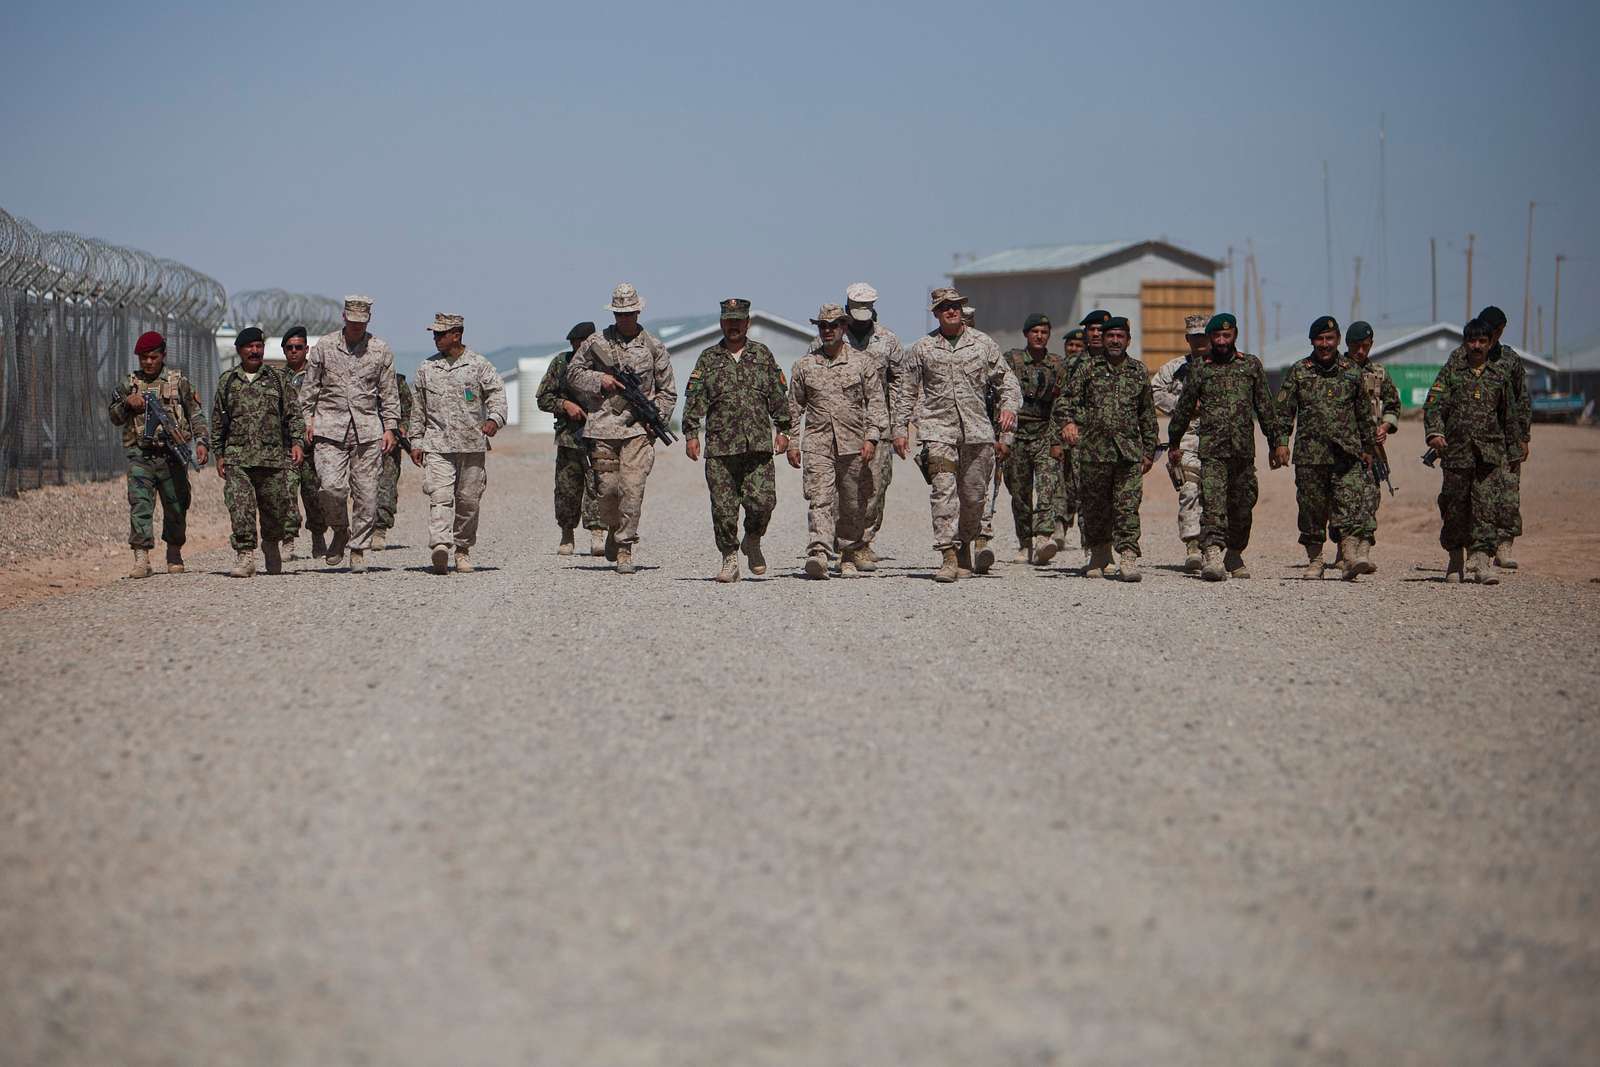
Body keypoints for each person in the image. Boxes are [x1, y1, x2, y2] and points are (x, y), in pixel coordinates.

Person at [892, 287, 1020, 583]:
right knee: (943, 491)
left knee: (974, 497)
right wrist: (900, 430)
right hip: (938, 430)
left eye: (956, 306)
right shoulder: (923, 348)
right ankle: (948, 554)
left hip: (977, 432)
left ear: (962, 310)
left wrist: (1009, 408)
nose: (951, 310)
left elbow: (1007, 382)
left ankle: (965, 543)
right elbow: (906, 392)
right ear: (936, 313)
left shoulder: (983, 344)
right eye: (944, 307)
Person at [565, 283, 677, 575]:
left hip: (638, 431)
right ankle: (614, 526)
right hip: (602, 428)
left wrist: (656, 419)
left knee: (632, 489)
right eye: (619, 313)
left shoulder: (653, 346)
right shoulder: (595, 343)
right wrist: (599, 380)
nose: (624, 318)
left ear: (638, 311)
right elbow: (573, 373)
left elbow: (668, 391)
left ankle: (625, 546)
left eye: (629, 313)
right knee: (608, 490)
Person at [1165, 312, 1285, 581]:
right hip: (1212, 451)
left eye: (1226, 336)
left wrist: (1276, 443)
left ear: (1235, 336)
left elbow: (1265, 408)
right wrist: (1174, 442)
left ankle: (1234, 552)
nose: (1221, 340)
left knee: (1243, 506)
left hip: (1243, 452)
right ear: (1209, 338)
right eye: (1216, 336)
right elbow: (1184, 408)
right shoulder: (1201, 368)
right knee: (1214, 504)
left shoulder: (1250, 366)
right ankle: (1213, 555)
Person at [682, 298, 791, 582]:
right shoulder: (708, 358)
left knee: (763, 502)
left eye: (738, 321)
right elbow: (695, 398)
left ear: (747, 323)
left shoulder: (762, 355)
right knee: (723, 508)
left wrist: (784, 429)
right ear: (721, 323)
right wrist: (691, 433)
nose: (733, 326)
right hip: (720, 447)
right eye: (728, 321)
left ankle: (753, 538)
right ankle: (729, 558)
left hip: (758, 445)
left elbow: (778, 395)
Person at [300, 295, 401, 573]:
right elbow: (309, 388)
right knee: (331, 487)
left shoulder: (379, 350)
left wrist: (390, 427)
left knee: (367, 495)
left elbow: (389, 393)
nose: (357, 327)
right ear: (344, 317)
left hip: (367, 431)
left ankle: (358, 548)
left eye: (362, 322)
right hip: (329, 428)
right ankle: (340, 530)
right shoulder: (325, 347)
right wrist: (307, 420)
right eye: (352, 321)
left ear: (368, 320)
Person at [1272, 316, 1377, 580]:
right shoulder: (1300, 370)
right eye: (1319, 339)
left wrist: (1368, 448)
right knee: (1311, 510)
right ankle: (1315, 560)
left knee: (1349, 505)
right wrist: (1282, 442)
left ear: (1338, 340)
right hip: (1310, 455)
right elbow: (1284, 411)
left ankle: (1350, 557)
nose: (1324, 344)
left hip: (1347, 454)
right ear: (1312, 341)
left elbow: (1364, 414)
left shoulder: (1352, 372)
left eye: (1329, 339)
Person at [787, 304, 888, 579]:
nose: (828, 330)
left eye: (833, 325)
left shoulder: (861, 363)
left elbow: (876, 403)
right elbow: (794, 408)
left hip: (854, 443)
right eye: (823, 326)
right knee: (820, 499)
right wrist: (793, 442)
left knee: (852, 502)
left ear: (844, 328)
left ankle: (847, 554)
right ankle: (818, 553)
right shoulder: (805, 365)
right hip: (817, 443)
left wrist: (872, 438)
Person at [1056, 316, 1158, 580]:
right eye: (1110, 336)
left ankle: (1128, 556)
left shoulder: (1138, 371)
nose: (1114, 341)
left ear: (1128, 340)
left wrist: (1149, 450)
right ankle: (1099, 554)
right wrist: (1068, 423)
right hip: (1094, 451)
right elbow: (1066, 399)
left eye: (1119, 336)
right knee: (1095, 506)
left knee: (1126, 506)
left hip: (1128, 453)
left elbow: (1147, 414)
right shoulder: (1088, 368)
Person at [407, 313, 508, 574]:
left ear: (457, 334)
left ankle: (462, 549)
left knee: (468, 501)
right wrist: (415, 442)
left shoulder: (478, 365)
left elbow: (497, 394)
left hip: (472, 445)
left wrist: (494, 420)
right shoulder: (426, 369)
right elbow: (418, 409)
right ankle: (440, 544)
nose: (435, 338)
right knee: (439, 496)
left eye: (441, 334)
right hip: (437, 445)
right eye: (434, 334)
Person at [107, 331, 209, 578]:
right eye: (143, 358)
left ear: (163, 355)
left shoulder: (178, 382)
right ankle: (141, 557)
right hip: (141, 455)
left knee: (176, 504)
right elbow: (114, 417)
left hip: (172, 456)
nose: (148, 362)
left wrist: (202, 441)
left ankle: (174, 552)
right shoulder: (128, 383)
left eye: (153, 357)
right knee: (140, 505)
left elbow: (195, 413)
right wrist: (126, 403)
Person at [1424, 318, 1517, 584]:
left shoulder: (1499, 377)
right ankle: (1455, 557)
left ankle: (1481, 562)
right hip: (1456, 453)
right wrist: (1435, 433)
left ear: (1490, 344)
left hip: (1488, 454)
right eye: (1472, 341)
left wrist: (1514, 449)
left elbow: (1509, 416)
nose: (1476, 346)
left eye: (1482, 342)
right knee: (1455, 506)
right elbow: (1433, 405)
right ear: (1465, 343)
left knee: (1486, 508)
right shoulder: (1452, 373)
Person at [211, 327, 305, 577]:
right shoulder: (228, 381)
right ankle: (245, 555)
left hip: (272, 457)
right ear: (239, 350)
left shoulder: (277, 379)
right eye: (249, 347)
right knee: (240, 506)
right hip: (237, 458)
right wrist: (218, 454)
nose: (254, 351)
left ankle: (271, 543)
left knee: (275, 508)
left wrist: (296, 443)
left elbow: (294, 414)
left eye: (258, 346)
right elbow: (218, 422)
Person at [1444, 305, 1530, 569]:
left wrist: (1523, 437)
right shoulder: (1459, 357)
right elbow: (1444, 396)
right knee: (1468, 496)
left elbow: (1521, 399)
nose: (1486, 340)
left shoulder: (1510, 360)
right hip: (1467, 441)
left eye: (1494, 333)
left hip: (1504, 437)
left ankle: (1503, 546)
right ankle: (1474, 550)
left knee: (1506, 494)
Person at [841, 282, 904, 564]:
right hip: (841, 424)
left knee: (876, 486)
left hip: (879, 424)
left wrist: (900, 426)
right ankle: (845, 541)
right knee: (841, 486)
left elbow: (901, 384)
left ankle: (864, 540)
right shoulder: (830, 338)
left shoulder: (888, 341)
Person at [1001, 314, 1069, 564]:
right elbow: (1000, 397)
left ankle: (1043, 537)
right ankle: (1025, 542)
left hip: (1044, 432)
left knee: (1047, 486)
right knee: (1019, 492)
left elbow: (1061, 406)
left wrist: (1055, 440)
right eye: (1035, 332)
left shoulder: (1057, 364)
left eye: (1044, 332)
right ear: (1026, 334)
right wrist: (1003, 438)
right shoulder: (1012, 360)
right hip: (1017, 434)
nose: (1040, 336)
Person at [535, 321, 605, 555]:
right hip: (569, 436)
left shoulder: (604, 363)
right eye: (573, 345)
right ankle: (567, 533)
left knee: (599, 484)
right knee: (567, 487)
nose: (576, 349)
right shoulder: (561, 363)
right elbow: (543, 398)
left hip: (600, 435)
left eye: (580, 344)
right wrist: (565, 405)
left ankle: (598, 533)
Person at [1332, 320, 1400, 558]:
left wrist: (1386, 424)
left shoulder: (1378, 373)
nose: (1360, 351)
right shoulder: (1335, 370)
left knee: (1370, 497)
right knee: (1342, 500)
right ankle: (1345, 549)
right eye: (1355, 346)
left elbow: (1393, 403)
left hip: (1371, 447)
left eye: (1365, 346)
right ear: (1347, 344)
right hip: (1341, 448)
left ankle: (1364, 548)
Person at [1150, 314, 1209, 571]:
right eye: (1194, 337)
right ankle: (1193, 545)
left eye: (1203, 336)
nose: (1200, 342)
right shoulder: (1174, 368)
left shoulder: (1224, 365)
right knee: (1189, 491)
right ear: (1188, 339)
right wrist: (1182, 406)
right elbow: (1154, 392)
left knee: (1219, 494)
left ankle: (1217, 545)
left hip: (1218, 436)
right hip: (1185, 435)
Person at [279, 326, 326, 560]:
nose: (294, 351)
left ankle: (318, 537)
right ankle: (288, 541)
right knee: (286, 495)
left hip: (313, 446)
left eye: (299, 347)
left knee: (314, 495)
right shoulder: (277, 379)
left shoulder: (317, 376)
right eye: (290, 348)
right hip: (287, 446)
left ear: (307, 349)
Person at [1051, 325, 1089, 549]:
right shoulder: (1062, 368)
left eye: (1078, 345)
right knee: (1060, 483)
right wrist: (1054, 439)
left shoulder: (1087, 366)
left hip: (1082, 435)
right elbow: (1056, 404)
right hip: (1061, 432)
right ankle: (1059, 527)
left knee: (1079, 485)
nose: (1073, 348)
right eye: (1070, 345)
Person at [371, 371, 413, 551]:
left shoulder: (397, 382)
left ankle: (379, 530)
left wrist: (401, 430)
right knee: (361, 488)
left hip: (391, 443)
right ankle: (360, 529)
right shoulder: (359, 377)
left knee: (386, 486)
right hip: (362, 442)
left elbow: (408, 409)